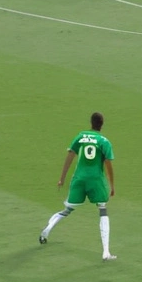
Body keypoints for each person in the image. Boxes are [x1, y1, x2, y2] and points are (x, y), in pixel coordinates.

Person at [39, 111, 116, 261]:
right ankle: (105, 251)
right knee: (102, 210)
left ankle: (46, 231)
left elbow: (70, 156)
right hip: (96, 180)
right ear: (102, 124)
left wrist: (62, 178)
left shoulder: (81, 136)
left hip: (79, 178)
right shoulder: (104, 141)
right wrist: (112, 185)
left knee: (67, 210)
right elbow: (108, 164)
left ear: (91, 123)